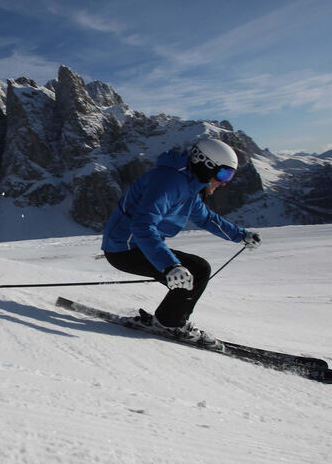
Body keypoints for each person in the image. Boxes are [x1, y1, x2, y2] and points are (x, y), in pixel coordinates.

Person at [100, 138, 262, 347]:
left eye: (230, 176)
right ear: (206, 164)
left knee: (195, 270)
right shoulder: (169, 182)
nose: (224, 182)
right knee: (195, 270)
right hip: (124, 248)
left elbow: (207, 218)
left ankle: (170, 321)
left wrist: (241, 235)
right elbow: (142, 225)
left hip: (139, 245)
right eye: (224, 174)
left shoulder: (188, 184)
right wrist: (170, 266)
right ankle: (170, 324)